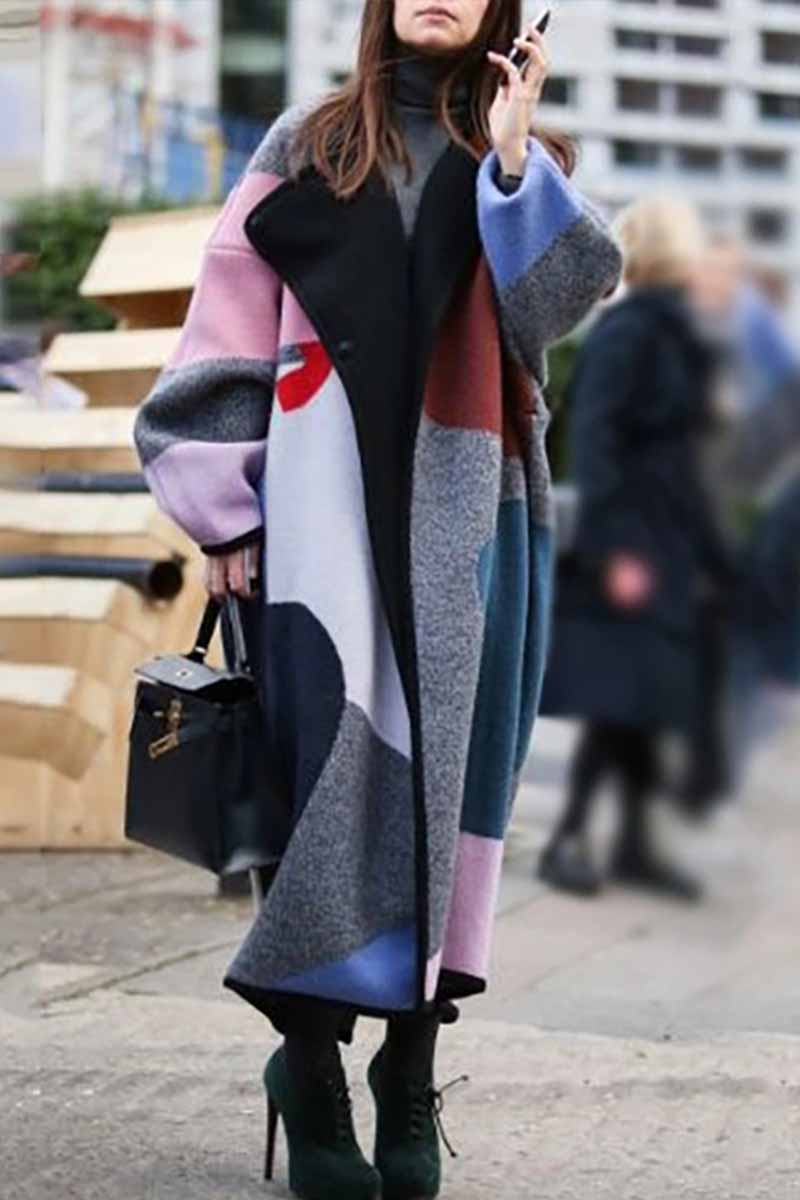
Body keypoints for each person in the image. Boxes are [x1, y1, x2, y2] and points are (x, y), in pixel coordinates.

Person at [134, 2, 621, 1196]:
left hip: (474, 518)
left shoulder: (523, 163)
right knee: (321, 781)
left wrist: (511, 159)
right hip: (319, 521)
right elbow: (227, 315)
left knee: (453, 790)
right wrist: (223, 506)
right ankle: (310, 1069)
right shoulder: (311, 145)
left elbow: (555, 310)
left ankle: (409, 1068)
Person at [539, 197, 734, 902]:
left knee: (647, 699)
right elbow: (596, 442)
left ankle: (631, 844)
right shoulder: (630, 332)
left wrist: (717, 558)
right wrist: (616, 550)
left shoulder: (676, 332)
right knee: (618, 697)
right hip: (634, 544)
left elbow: (689, 459)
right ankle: (570, 838)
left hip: (669, 542)